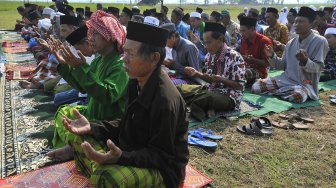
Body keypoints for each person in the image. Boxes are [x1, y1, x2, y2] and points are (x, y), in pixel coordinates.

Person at [49, 21, 189, 188]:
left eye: (130, 54)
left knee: (106, 177)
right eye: (125, 52)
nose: (124, 59)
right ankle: (99, 163)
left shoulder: (164, 100)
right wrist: (92, 127)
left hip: (163, 170)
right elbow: (125, 123)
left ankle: (100, 166)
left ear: (154, 58)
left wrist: (121, 157)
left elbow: (161, 156)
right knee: (78, 135)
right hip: (132, 148)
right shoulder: (135, 82)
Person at [47, 10, 129, 148]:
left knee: (77, 136)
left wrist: (81, 68)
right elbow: (83, 87)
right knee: (63, 113)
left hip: (105, 125)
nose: (91, 38)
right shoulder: (99, 61)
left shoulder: (120, 65)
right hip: (92, 116)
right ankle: (75, 146)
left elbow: (107, 96)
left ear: (109, 35)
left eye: (96, 33)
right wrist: (65, 66)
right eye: (91, 33)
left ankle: (76, 147)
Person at [252, 7, 329, 104]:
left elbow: (318, 68)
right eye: (296, 22)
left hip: (305, 83)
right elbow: (283, 65)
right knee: (256, 87)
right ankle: (283, 91)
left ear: (312, 24)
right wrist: (272, 56)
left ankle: (280, 92)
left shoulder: (320, 41)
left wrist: (305, 61)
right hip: (286, 80)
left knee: (297, 97)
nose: (296, 25)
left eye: (301, 22)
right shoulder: (291, 43)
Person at [182, 23, 246, 121]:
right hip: (211, 91)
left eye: (209, 42)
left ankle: (202, 111)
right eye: (205, 43)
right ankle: (209, 109)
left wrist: (222, 80)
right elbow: (210, 80)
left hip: (228, 96)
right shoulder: (210, 56)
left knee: (202, 99)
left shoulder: (235, 57)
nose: (206, 46)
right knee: (181, 89)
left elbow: (239, 86)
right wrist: (196, 73)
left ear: (220, 40)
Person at [239, 17, 272, 86]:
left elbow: (268, 64)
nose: (241, 34)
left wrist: (253, 60)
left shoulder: (264, 41)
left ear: (252, 29)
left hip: (259, 72)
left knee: (238, 74)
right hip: (245, 68)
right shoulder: (243, 39)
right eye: (240, 31)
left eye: (243, 31)